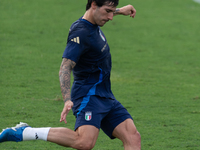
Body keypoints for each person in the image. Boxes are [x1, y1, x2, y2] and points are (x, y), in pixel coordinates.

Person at [0, 0, 141, 149]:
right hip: (89, 95)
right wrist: (67, 100)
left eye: (112, 12)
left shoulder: (94, 21)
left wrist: (120, 10)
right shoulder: (80, 33)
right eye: (108, 11)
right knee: (84, 142)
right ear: (93, 4)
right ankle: (27, 132)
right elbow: (65, 67)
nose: (111, 17)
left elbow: (103, 11)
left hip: (105, 94)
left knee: (133, 137)